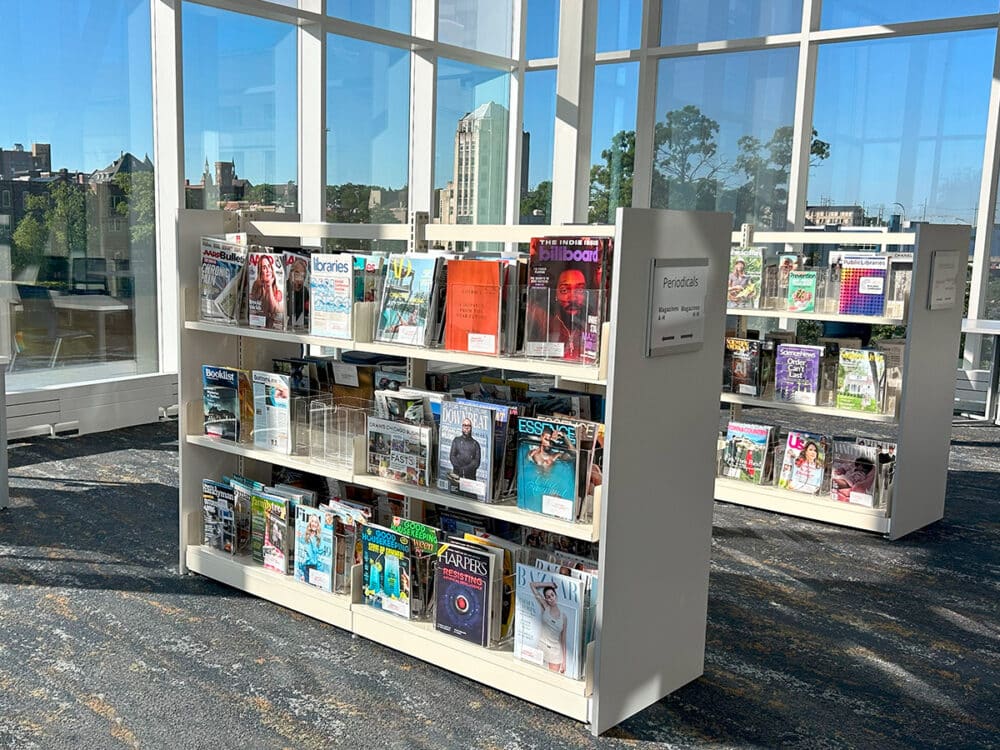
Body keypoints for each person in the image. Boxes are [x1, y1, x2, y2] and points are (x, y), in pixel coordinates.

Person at [526, 268, 592, 361]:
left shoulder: (590, 322)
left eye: (580, 290)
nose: (573, 298)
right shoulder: (542, 318)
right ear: (555, 293)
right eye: (564, 290)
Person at [530, 581, 567, 674]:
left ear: (556, 596)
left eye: (552, 595)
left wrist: (564, 662)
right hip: (541, 647)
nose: (551, 598)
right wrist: (549, 584)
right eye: (548, 597)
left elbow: (563, 640)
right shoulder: (545, 607)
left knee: (553, 679)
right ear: (546, 599)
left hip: (555, 653)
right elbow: (532, 585)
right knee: (536, 676)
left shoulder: (564, 617)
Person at [250, 254, 284, 329]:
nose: (268, 270)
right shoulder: (256, 287)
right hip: (258, 327)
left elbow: (275, 310)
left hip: (274, 328)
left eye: (269, 266)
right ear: (260, 272)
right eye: (264, 268)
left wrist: (269, 287)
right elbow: (255, 312)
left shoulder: (277, 289)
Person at [286, 256, 309, 329]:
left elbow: (306, 315)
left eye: (303, 276)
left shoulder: (304, 291)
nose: (299, 280)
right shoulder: (282, 288)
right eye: (297, 275)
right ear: (290, 274)